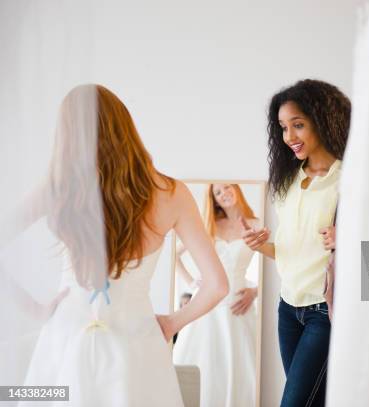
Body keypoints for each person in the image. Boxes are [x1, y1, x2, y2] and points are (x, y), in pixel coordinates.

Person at [6, 84, 228, 407]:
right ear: (125, 128)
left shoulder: (58, 188)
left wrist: (35, 310)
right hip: (138, 347)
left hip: (63, 341)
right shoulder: (172, 194)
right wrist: (171, 323)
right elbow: (218, 285)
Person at [242, 79, 351, 407]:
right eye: (283, 127)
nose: (289, 137)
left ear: (324, 119)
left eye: (298, 125)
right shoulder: (287, 180)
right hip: (288, 307)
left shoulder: (350, 177)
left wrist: (347, 240)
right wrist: (263, 247)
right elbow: (294, 253)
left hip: (325, 309)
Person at [173, 183, 260, 407]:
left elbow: (276, 267)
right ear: (214, 200)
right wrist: (193, 282)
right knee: (203, 359)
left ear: (237, 189)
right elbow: (175, 255)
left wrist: (256, 290)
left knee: (240, 364)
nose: (224, 194)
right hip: (207, 303)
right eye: (217, 193)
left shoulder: (257, 224)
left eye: (227, 188)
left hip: (240, 303)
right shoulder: (209, 226)